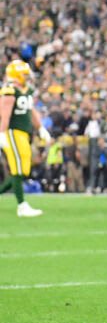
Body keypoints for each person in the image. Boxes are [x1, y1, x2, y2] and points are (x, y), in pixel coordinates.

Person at [0, 60, 51, 217]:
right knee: (17, 169)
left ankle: (21, 204)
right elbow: (5, 114)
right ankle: (22, 206)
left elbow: (31, 110)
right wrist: (2, 133)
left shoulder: (26, 90)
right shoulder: (9, 90)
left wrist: (41, 127)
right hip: (12, 132)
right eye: (24, 74)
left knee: (23, 169)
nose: (27, 77)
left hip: (23, 133)